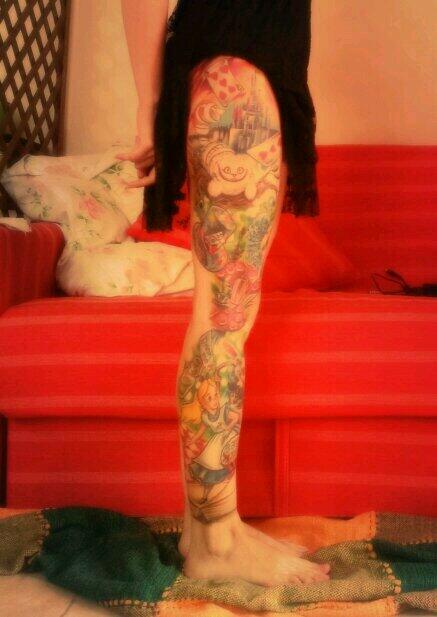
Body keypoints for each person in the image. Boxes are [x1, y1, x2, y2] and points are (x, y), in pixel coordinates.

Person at [117, 0, 330, 587]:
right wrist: (149, 107)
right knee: (223, 319)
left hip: (245, 78)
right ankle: (216, 543)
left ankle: (206, 528)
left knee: (226, 316)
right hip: (237, 88)